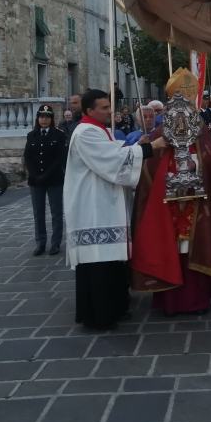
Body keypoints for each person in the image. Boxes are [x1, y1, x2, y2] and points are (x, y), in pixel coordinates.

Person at [131, 69, 211, 316]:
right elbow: (149, 165)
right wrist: (169, 169)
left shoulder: (200, 128)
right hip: (167, 203)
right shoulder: (159, 133)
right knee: (170, 245)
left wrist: (196, 164)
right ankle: (169, 298)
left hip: (197, 201)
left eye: (188, 99)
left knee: (195, 245)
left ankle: (196, 298)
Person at [64, 89, 166, 329]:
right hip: (93, 208)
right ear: (89, 111)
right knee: (98, 261)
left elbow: (115, 152)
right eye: (104, 108)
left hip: (104, 205)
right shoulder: (85, 132)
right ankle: (99, 315)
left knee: (110, 261)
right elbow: (110, 160)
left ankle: (116, 306)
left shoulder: (98, 130)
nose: (110, 111)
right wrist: (151, 147)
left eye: (109, 106)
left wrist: (135, 145)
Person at [24, 105, 67, 256]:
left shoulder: (59, 135)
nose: (44, 119)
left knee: (56, 212)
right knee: (38, 213)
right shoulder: (31, 135)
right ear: (38, 118)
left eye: (47, 117)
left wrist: (46, 174)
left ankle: (55, 244)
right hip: (36, 181)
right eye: (41, 117)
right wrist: (35, 174)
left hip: (54, 179)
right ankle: (40, 243)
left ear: (51, 119)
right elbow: (28, 157)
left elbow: (59, 158)